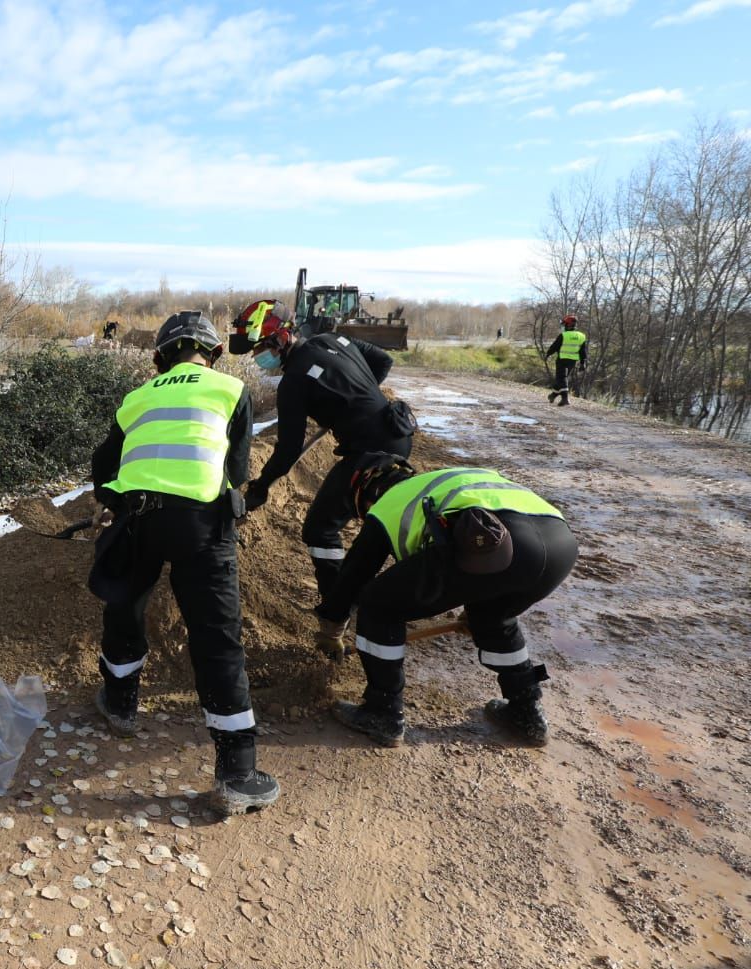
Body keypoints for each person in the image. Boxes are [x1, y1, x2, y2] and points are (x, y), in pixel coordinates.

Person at [88, 310, 278, 818]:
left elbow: (102, 465)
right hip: (201, 525)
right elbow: (235, 470)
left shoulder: (137, 398)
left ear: (159, 358)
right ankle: (237, 771)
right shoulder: (228, 390)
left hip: (137, 520)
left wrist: (110, 499)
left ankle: (121, 705)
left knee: (124, 609)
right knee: (216, 636)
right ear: (214, 352)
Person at [314, 455, 578, 747]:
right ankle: (526, 711)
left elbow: (354, 574)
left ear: (367, 494)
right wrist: (478, 597)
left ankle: (382, 711)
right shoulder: (451, 480)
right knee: (491, 616)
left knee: (378, 603)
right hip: (560, 545)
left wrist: (332, 628)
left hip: (498, 542)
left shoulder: (389, 502)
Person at [234, 299, 417, 599]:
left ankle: (338, 602)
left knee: (320, 529)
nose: (257, 357)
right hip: (397, 434)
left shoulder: (293, 382)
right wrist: (361, 399)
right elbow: (383, 361)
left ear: (280, 339)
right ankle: (360, 583)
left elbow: (288, 449)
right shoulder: (331, 339)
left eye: (259, 349)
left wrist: (261, 485)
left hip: (369, 456)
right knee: (374, 514)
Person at [546, 314, 586, 406]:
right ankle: (553, 395)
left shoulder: (563, 335)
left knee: (561, 378)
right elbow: (583, 351)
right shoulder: (581, 336)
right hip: (572, 361)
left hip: (562, 359)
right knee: (561, 378)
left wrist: (548, 354)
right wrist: (583, 363)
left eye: (564, 325)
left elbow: (554, 347)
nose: (563, 326)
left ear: (568, 325)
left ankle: (565, 398)